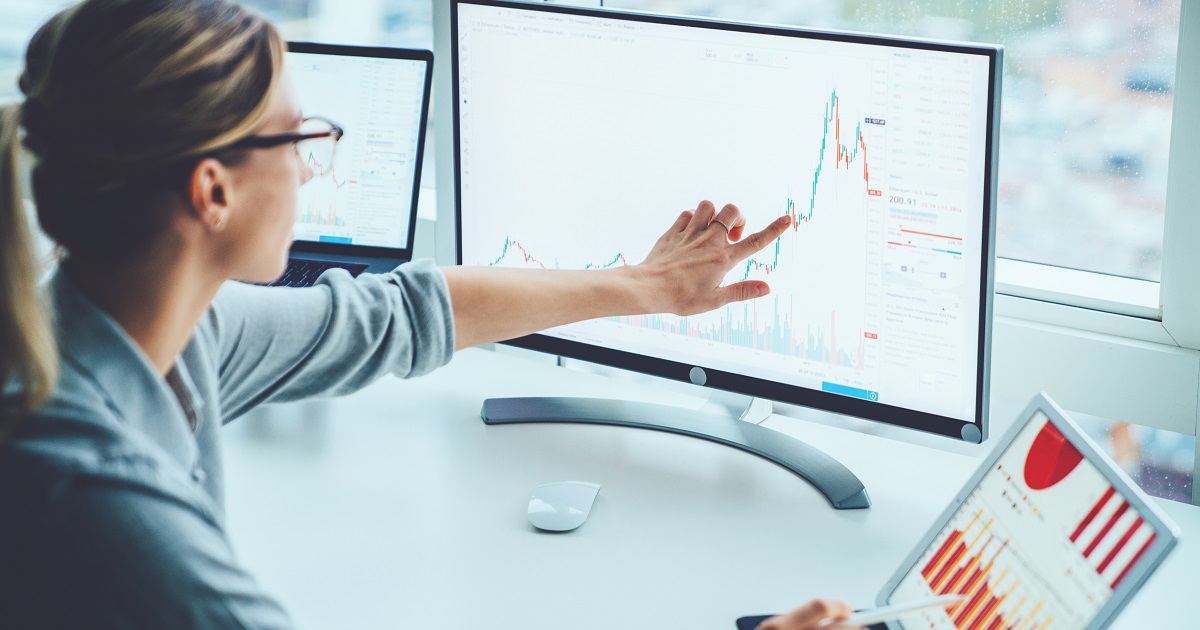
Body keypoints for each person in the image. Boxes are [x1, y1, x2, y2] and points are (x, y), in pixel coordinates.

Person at [0, 1, 860, 628]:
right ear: (212, 191)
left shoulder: (141, 329)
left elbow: (399, 316)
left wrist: (647, 286)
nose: (310, 169)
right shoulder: (90, 492)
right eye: (296, 139)